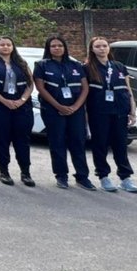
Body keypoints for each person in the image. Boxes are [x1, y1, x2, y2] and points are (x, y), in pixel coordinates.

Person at [33, 36, 95, 190]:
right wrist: (58, 106)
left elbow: (85, 88)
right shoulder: (41, 65)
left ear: (65, 47)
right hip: (53, 110)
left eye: (60, 45)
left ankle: (82, 176)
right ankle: (61, 176)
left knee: (78, 143)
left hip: (76, 110)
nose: (57, 48)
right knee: (57, 142)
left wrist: (75, 107)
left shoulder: (76, 65)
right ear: (48, 48)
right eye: (53, 46)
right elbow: (41, 88)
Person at [84, 37, 137, 193]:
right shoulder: (87, 68)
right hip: (99, 113)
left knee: (120, 146)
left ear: (108, 48)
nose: (102, 49)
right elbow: (84, 93)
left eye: (104, 46)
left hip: (120, 112)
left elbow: (128, 90)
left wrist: (132, 110)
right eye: (98, 46)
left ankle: (125, 177)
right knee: (100, 145)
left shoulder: (119, 66)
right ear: (92, 49)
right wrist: (86, 115)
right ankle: (103, 176)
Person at [0, 36, 36, 186]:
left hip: (21, 107)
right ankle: (4, 171)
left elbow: (30, 84)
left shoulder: (22, 64)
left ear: (13, 47)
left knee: (22, 140)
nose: (5, 47)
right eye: (2, 44)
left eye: (8, 44)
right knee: (1, 139)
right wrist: (4, 101)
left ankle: (25, 172)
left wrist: (21, 100)